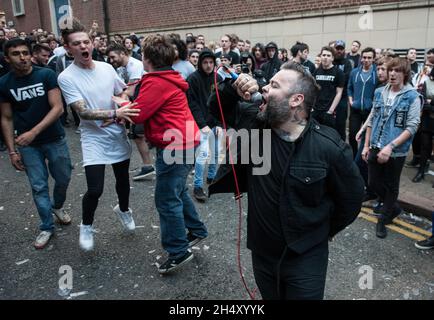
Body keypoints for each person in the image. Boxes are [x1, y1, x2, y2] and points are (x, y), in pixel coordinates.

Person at [208, 62, 364, 300]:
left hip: (306, 258)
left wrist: (323, 231)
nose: (264, 89)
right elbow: (217, 108)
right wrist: (233, 88)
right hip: (262, 252)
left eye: (273, 85)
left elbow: (352, 199)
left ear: (296, 100)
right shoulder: (254, 124)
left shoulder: (329, 146)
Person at [114, 34, 208, 275]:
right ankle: (196, 230)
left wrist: (118, 105)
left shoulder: (157, 82)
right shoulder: (166, 77)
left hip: (176, 145)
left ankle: (178, 251)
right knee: (176, 192)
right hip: (186, 141)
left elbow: (138, 114)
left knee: (166, 200)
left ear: (147, 59)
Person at [57, 19, 140, 251]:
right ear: (67, 48)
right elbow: (82, 111)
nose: (83, 46)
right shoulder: (66, 77)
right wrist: (116, 111)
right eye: (76, 43)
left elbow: (122, 90)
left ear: (92, 44)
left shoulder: (106, 68)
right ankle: (86, 225)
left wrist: (123, 102)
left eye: (86, 41)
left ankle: (123, 210)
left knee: (123, 181)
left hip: (116, 133)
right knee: (95, 189)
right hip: (92, 138)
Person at [0, 38, 72, 249]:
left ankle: (57, 206)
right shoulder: (4, 83)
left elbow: (57, 108)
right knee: (38, 186)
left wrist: (33, 132)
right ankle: (46, 227)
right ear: (7, 58)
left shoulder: (46, 75)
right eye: (16, 54)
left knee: (64, 177)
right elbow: (6, 118)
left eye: (25, 52)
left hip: (54, 138)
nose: (22, 57)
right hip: (27, 145)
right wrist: (12, 151)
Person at [362, 57, 422, 239]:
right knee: (373, 184)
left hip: (396, 150)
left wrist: (390, 147)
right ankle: (393, 208)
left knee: (391, 185)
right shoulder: (379, 92)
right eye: (390, 70)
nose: (392, 74)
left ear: (405, 74)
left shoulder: (413, 96)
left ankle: (384, 218)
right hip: (375, 145)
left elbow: (412, 126)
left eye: (397, 71)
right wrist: (366, 145)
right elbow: (372, 119)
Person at [106, 42, 155, 181]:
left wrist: (119, 103)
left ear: (122, 53)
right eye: (109, 58)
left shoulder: (135, 65)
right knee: (138, 136)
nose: (111, 60)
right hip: (137, 102)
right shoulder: (122, 68)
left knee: (140, 135)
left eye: (113, 57)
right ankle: (148, 166)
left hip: (145, 102)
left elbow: (129, 90)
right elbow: (122, 89)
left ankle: (151, 166)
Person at [187, 50, 221, 202]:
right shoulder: (192, 79)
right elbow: (192, 104)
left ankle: (212, 177)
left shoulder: (218, 78)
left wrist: (220, 124)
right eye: (205, 62)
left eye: (211, 62)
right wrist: (201, 124)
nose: (208, 65)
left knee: (215, 152)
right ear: (200, 63)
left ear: (214, 63)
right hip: (200, 123)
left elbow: (222, 104)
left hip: (215, 122)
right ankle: (198, 186)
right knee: (202, 154)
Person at [347, 47, 377, 157]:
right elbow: (349, 88)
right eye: (364, 57)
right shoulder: (354, 72)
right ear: (361, 58)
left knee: (367, 137)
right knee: (352, 135)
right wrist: (351, 100)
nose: (366, 60)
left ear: (373, 59)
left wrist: (373, 103)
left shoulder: (377, 73)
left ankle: (364, 156)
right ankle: (354, 156)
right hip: (355, 109)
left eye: (369, 57)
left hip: (370, 111)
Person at [312, 46, 345, 129]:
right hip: (316, 110)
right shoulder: (316, 71)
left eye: (328, 55)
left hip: (328, 111)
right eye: (323, 55)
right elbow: (313, 90)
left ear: (332, 58)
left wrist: (330, 110)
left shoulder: (339, 73)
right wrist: (311, 107)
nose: (325, 58)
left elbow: (339, 93)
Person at [411, 67, 434, 184]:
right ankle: (421, 171)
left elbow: (429, 102)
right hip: (427, 120)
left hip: (429, 115)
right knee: (425, 146)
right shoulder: (427, 82)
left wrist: (431, 103)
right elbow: (424, 102)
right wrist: (429, 104)